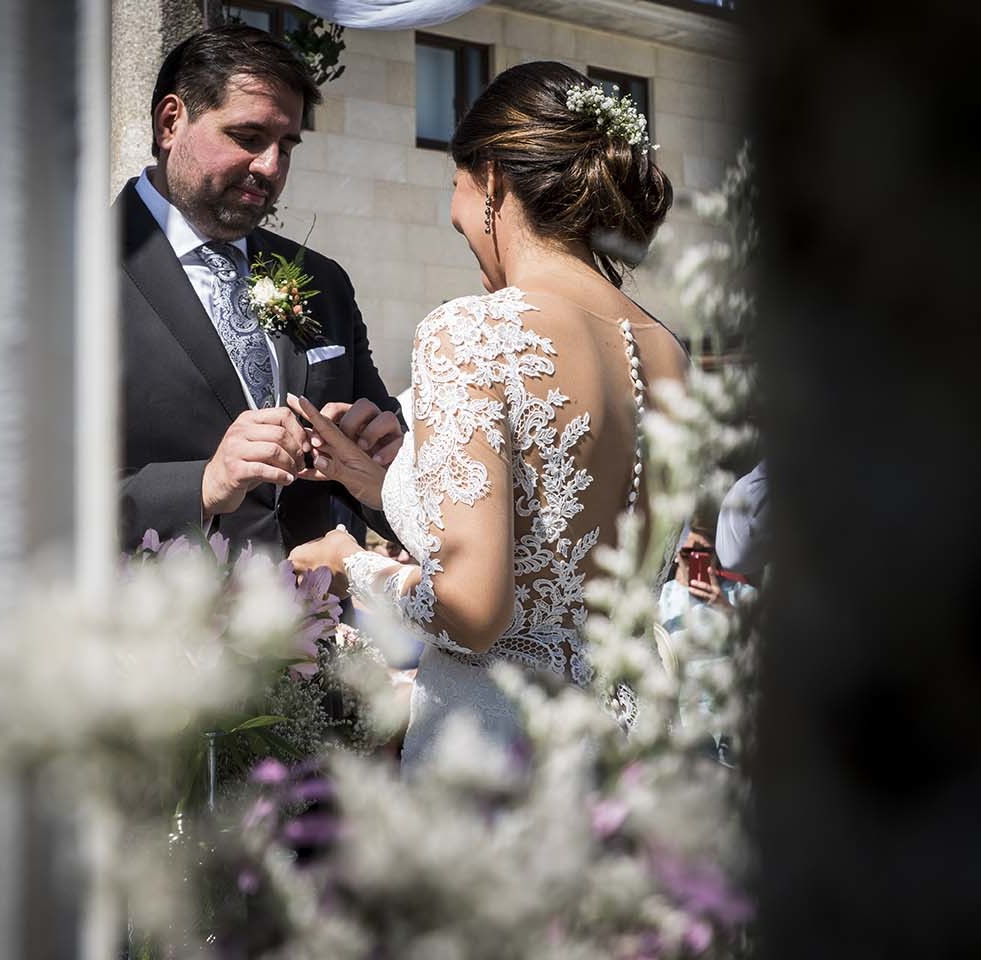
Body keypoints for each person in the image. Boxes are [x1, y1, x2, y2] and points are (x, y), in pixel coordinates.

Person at [285, 61, 688, 767]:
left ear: (493, 179)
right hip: (634, 743)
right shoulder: (668, 352)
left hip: (504, 749)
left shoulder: (470, 333)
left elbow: (472, 612)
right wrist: (386, 488)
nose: (455, 217)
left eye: (456, 185)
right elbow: (558, 539)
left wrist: (351, 565)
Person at [117, 25, 404, 552]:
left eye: (286, 147)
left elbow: (385, 482)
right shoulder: (74, 275)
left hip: (321, 619)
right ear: (170, 122)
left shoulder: (321, 280)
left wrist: (385, 464)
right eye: (248, 138)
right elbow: (21, 489)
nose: (270, 167)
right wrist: (200, 487)